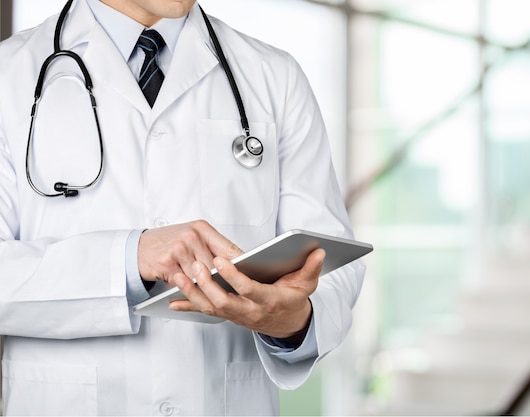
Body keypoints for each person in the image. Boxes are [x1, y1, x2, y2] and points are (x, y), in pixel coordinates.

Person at [0, 0, 365, 415]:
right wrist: (128, 258)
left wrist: (290, 321)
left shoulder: (272, 76)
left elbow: (330, 260)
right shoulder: (9, 75)